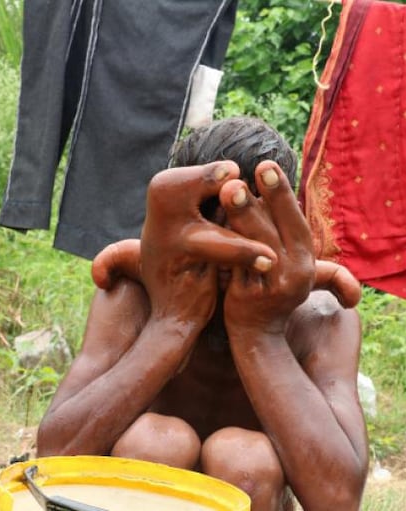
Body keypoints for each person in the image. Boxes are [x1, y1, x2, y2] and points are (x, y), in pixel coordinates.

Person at [36, 117, 369, 511]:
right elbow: (55, 455)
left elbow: (338, 498)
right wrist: (173, 322)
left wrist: (260, 333)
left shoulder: (319, 314)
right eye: (213, 240)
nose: (231, 259)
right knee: (154, 442)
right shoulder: (136, 293)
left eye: (250, 239)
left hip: (253, 493)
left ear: (283, 229)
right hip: (135, 489)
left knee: (245, 458)